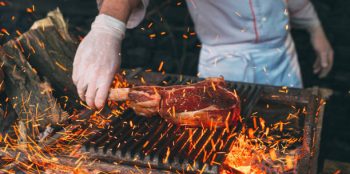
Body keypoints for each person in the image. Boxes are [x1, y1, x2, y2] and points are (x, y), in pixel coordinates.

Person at [73, 0, 333, 109]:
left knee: (287, 142)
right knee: (226, 146)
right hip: (226, 61)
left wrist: (315, 28)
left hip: (280, 55)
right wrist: (109, 25)